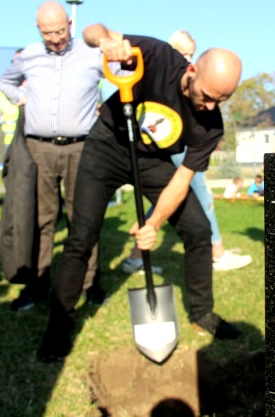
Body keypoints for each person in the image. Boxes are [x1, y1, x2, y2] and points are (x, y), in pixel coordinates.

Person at [36, 23, 244, 362]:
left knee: (198, 228)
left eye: (221, 100)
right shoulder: (158, 55)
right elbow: (93, 31)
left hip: (152, 161)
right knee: (81, 237)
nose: (209, 106)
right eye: (207, 95)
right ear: (191, 70)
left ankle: (203, 312)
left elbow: (182, 179)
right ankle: (58, 327)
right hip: (106, 147)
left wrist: (154, 223)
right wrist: (106, 42)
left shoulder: (210, 124)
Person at [0, 1, 108, 311]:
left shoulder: (91, 55)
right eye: (48, 33)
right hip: (39, 150)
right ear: (38, 30)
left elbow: (122, 78)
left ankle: (89, 284)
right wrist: (22, 100)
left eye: (59, 31)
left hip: (81, 148)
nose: (55, 38)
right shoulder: (29, 55)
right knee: (41, 219)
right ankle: (38, 285)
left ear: (70, 25)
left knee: (82, 218)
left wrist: (106, 109)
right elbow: (5, 82)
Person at [121, 30, 252, 274]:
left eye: (191, 54)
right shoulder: (167, 72)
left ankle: (135, 255)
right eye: (184, 55)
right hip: (172, 142)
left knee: (170, 196)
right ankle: (217, 251)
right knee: (199, 191)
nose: (187, 60)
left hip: (180, 141)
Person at [0, 48, 23, 151]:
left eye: (20, 61)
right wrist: (7, 122)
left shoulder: (37, 88)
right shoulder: (1, 90)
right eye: (14, 61)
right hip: (10, 142)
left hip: (33, 143)